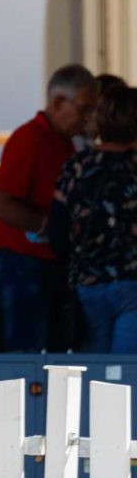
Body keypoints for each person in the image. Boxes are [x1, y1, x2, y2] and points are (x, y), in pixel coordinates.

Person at [0, 64, 97, 352]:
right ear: (59, 102)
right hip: (23, 264)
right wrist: (50, 226)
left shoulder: (64, 142)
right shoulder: (29, 139)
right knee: (28, 354)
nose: (87, 119)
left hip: (50, 263)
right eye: (84, 109)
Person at [48, 86, 137, 353]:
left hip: (88, 283)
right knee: (127, 374)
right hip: (133, 284)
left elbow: (57, 228)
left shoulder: (78, 166)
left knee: (91, 374)